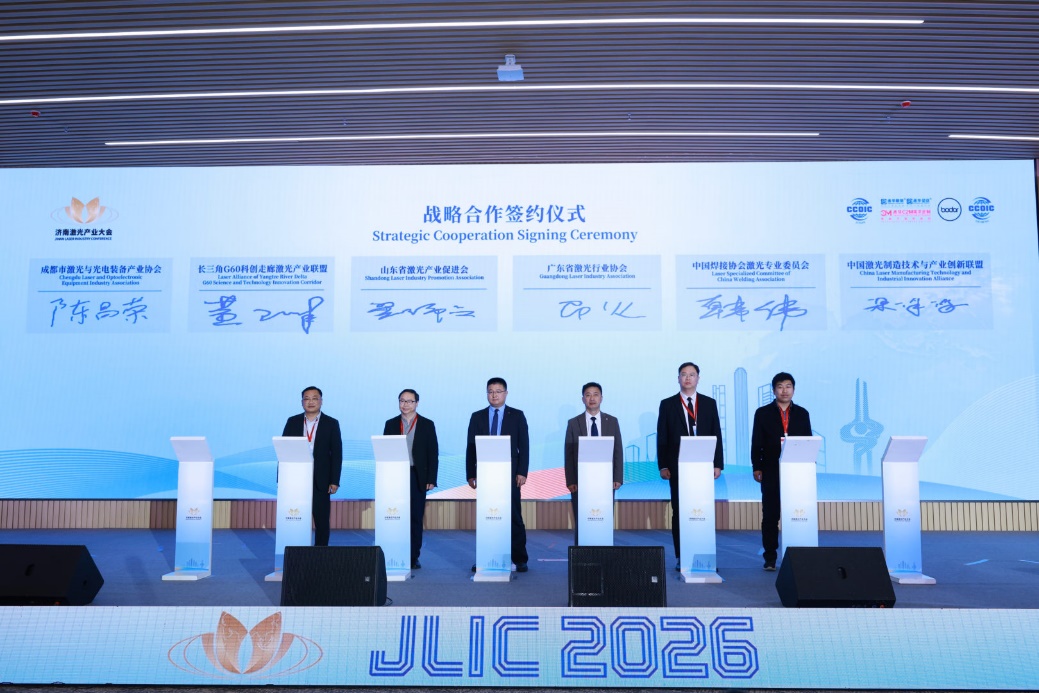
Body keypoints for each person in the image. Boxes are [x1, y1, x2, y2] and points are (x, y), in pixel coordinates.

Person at [656, 362, 724, 570]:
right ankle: (682, 556)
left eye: (692, 374)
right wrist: (663, 465)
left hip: (703, 467)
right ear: (678, 378)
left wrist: (718, 463)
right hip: (677, 467)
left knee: (702, 510)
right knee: (679, 511)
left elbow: (716, 433)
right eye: (683, 374)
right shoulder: (667, 404)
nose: (687, 378)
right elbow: (662, 437)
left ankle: (706, 556)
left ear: (698, 378)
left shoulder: (709, 403)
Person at [466, 377, 529, 572]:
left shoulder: (517, 415)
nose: (494, 395)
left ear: (506, 393)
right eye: (490, 391)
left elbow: (524, 446)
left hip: (510, 474)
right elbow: (471, 447)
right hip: (485, 474)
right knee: (487, 515)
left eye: (498, 391)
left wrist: (522, 472)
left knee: (513, 515)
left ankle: (519, 558)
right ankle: (486, 557)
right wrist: (470, 473)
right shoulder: (477, 416)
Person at [752, 372, 812, 571]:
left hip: (796, 472)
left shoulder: (802, 413)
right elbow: (756, 442)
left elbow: (808, 442)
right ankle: (770, 558)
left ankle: (798, 556)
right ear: (773, 390)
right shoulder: (762, 413)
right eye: (780, 386)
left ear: (794, 389)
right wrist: (756, 466)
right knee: (770, 515)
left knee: (796, 513)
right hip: (771, 469)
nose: (784, 390)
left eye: (788, 386)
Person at [383, 389, 439, 570]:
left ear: (417, 403)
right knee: (395, 515)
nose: (405, 404)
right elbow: (385, 451)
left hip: (417, 475)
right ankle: (394, 552)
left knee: (415, 516)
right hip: (396, 475)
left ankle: (413, 556)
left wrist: (431, 478)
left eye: (409, 401)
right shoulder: (391, 424)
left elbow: (433, 453)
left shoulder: (427, 424)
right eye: (402, 401)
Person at [282, 386, 343, 547]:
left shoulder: (331, 423)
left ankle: (321, 555)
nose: (310, 402)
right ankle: (296, 553)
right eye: (307, 398)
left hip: (321, 480)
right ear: (302, 402)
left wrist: (334, 480)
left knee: (322, 521)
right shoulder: (292, 421)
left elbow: (337, 454)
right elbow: (284, 450)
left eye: (315, 398)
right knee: (295, 518)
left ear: (321, 401)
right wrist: (281, 478)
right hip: (296, 479)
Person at [563, 382, 623, 545]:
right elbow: (569, 455)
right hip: (581, 481)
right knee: (582, 519)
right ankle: (581, 555)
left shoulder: (612, 421)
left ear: (601, 398)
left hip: (605, 480)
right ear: (583, 399)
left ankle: (604, 553)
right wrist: (571, 480)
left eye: (595, 394)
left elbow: (618, 451)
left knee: (603, 517)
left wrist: (617, 477)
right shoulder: (574, 423)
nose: (592, 398)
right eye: (588, 395)